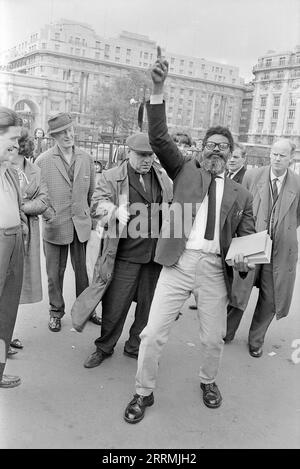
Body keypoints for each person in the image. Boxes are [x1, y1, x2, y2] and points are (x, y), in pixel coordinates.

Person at [123, 48, 256, 423]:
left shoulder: (240, 194)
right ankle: (142, 392)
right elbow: (160, 135)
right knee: (152, 336)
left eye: (223, 147)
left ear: (232, 155)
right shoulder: (184, 170)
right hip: (177, 264)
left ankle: (208, 380)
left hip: (215, 270)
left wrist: (244, 259)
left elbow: (245, 240)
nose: (216, 151)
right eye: (210, 145)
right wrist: (158, 86)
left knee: (214, 339)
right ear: (202, 149)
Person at [72, 132, 173, 368]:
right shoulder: (111, 176)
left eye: (150, 155)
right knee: (115, 306)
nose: (147, 160)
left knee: (148, 308)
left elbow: (172, 201)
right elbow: (97, 204)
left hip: (153, 256)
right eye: (141, 155)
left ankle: (135, 346)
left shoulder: (161, 176)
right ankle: (104, 347)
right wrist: (114, 210)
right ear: (129, 153)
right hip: (124, 255)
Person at [225, 138, 300, 357]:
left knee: (270, 298)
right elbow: (239, 207)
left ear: (291, 158)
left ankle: (256, 341)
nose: (277, 159)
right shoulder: (252, 176)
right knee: (240, 291)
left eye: (282, 155)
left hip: (280, 251)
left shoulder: (297, 183)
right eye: (274, 154)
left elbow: (297, 217)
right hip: (251, 244)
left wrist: (280, 229)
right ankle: (226, 332)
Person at [36, 112, 101, 332]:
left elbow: (92, 193)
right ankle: (56, 312)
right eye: (62, 132)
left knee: (83, 272)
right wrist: (49, 216)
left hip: (80, 225)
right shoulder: (43, 161)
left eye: (70, 130)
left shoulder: (86, 158)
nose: (68, 135)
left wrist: (90, 219)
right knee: (55, 274)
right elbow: (35, 196)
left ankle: (86, 310)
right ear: (54, 136)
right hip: (55, 227)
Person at [7, 128, 54, 354]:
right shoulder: (2, 167)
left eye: (19, 142)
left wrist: (22, 207)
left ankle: (7, 334)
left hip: (25, 234)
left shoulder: (33, 169)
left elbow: (44, 199)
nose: (16, 146)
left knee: (14, 287)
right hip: (5, 232)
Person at [0, 106, 26, 388]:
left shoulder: (8, 170)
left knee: (6, 314)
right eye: (13, 138)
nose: (17, 146)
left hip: (13, 240)